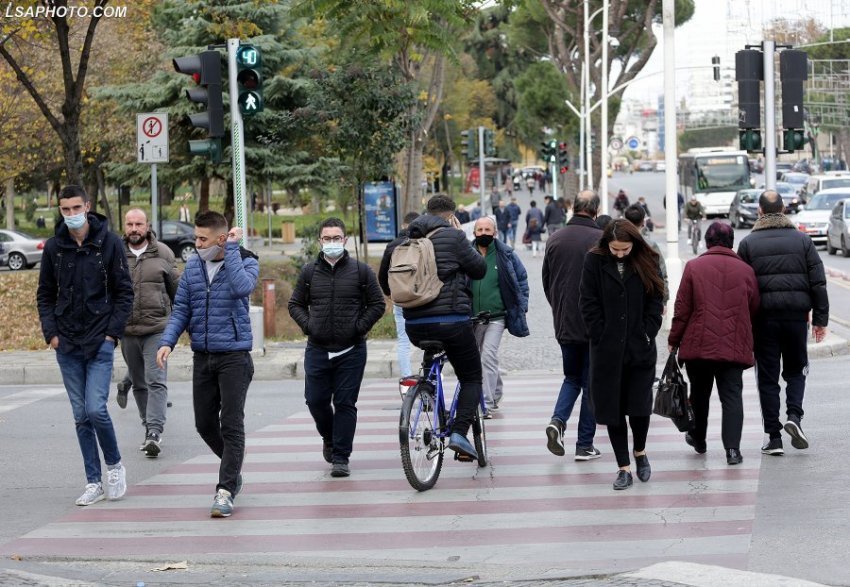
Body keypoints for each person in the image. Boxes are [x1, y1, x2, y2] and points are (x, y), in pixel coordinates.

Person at [156, 211, 259, 518]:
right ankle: (233, 467)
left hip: (234, 357)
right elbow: (181, 310)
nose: (197, 243)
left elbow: (242, 288)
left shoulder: (246, 261)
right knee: (204, 424)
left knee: (231, 423)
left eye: (202, 238)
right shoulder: (193, 268)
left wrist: (233, 252)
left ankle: (225, 489)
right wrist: (167, 341)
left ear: (220, 238)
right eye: (197, 237)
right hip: (203, 355)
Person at [36, 185, 133, 506]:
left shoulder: (110, 243)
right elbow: (45, 294)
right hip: (66, 343)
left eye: (77, 208)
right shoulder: (54, 248)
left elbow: (124, 293)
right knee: (80, 416)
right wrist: (51, 334)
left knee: (96, 409)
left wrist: (111, 335)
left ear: (88, 206)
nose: (72, 215)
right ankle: (94, 481)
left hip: (100, 341)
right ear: (60, 211)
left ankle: (115, 465)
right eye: (65, 210)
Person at [378, 195, 487, 460]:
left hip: (414, 325)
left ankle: (427, 390)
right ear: (451, 216)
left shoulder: (399, 243)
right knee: (472, 377)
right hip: (452, 322)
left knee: (431, 353)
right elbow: (480, 269)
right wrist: (463, 239)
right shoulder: (454, 237)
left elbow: (384, 282)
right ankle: (459, 432)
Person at [288, 218, 386, 477]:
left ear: (345, 240)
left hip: (351, 349)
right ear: (320, 241)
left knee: (345, 403)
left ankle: (341, 457)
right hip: (317, 347)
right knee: (315, 400)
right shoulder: (309, 272)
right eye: (327, 238)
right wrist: (309, 326)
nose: (332, 242)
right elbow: (295, 304)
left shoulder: (361, 271)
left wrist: (358, 327)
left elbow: (377, 304)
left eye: (336, 238)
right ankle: (329, 438)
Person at [737, 190, 829, 456]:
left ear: (760, 211)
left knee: (767, 378)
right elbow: (818, 282)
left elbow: (743, 287)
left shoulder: (748, 244)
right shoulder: (802, 241)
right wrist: (820, 320)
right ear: (784, 210)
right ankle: (794, 417)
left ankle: (774, 437)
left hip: (763, 320)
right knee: (796, 370)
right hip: (796, 318)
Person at [580, 219, 665, 490]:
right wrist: (600, 333)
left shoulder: (647, 259)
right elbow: (587, 301)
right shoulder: (593, 261)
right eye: (615, 249)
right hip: (606, 351)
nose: (619, 254)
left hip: (640, 348)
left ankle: (640, 451)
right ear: (607, 244)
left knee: (639, 408)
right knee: (613, 410)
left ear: (634, 244)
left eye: (624, 249)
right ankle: (623, 467)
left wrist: (648, 331)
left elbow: (656, 299)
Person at [668, 222, 760, 465]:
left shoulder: (694, 267)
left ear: (707, 242)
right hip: (733, 344)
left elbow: (682, 309)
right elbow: (754, 307)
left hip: (699, 345)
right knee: (732, 396)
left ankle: (698, 440)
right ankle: (732, 451)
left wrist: (674, 340)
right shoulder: (746, 270)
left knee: (699, 395)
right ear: (731, 242)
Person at [542, 190, 603, 460]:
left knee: (572, 378)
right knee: (591, 384)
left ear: (574, 208)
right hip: (593, 326)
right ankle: (584, 444)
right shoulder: (600, 240)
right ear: (595, 210)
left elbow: (547, 280)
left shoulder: (554, 239)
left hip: (565, 322)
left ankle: (557, 421)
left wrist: (559, 308)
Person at [119, 208, 180, 457]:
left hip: (157, 329)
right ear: (124, 226)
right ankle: (148, 427)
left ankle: (155, 431)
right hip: (126, 330)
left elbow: (177, 291)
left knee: (156, 380)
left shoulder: (163, 252)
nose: (134, 229)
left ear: (148, 226)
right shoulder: (115, 253)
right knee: (139, 383)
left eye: (139, 224)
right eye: (130, 224)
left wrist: (178, 326)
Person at [470, 216, 529, 414]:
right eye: (480, 230)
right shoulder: (467, 254)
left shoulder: (505, 254)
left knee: (488, 355)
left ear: (495, 232)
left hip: (496, 316)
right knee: (477, 357)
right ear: (474, 233)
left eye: (488, 230)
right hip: (473, 317)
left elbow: (521, 279)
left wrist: (522, 305)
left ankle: (485, 403)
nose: (484, 233)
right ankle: (495, 390)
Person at [379, 212, 420, 379]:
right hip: (421, 299)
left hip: (400, 299)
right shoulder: (423, 244)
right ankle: (429, 376)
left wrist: (389, 293)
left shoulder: (392, 246)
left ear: (403, 225)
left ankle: (406, 378)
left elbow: (382, 274)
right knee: (429, 338)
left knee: (403, 341)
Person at [624, 204, 668, 306]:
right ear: (643, 222)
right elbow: (661, 274)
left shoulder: (616, 243)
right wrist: (664, 300)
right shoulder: (650, 246)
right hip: (646, 299)